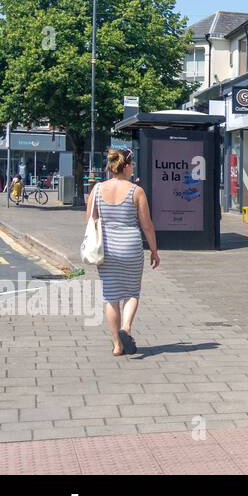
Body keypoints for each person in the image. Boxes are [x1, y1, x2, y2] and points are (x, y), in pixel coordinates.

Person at [86, 148, 160, 357]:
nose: (133, 167)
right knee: (132, 293)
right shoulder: (136, 191)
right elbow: (147, 225)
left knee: (111, 297)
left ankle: (117, 345)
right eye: (132, 164)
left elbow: (89, 221)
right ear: (126, 166)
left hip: (106, 249)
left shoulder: (97, 189)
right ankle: (126, 328)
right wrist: (154, 250)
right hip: (130, 247)